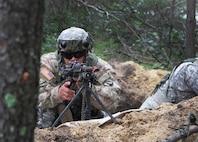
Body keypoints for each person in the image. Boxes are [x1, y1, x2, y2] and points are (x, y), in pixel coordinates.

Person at [36, 27, 121, 128]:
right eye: (68, 55)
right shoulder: (48, 64)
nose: (73, 59)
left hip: (90, 119)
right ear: (61, 53)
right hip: (54, 119)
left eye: (78, 54)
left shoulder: (99, 67)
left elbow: (113, 101)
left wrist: (89, 89)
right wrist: (57, 93)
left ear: (86, 53)